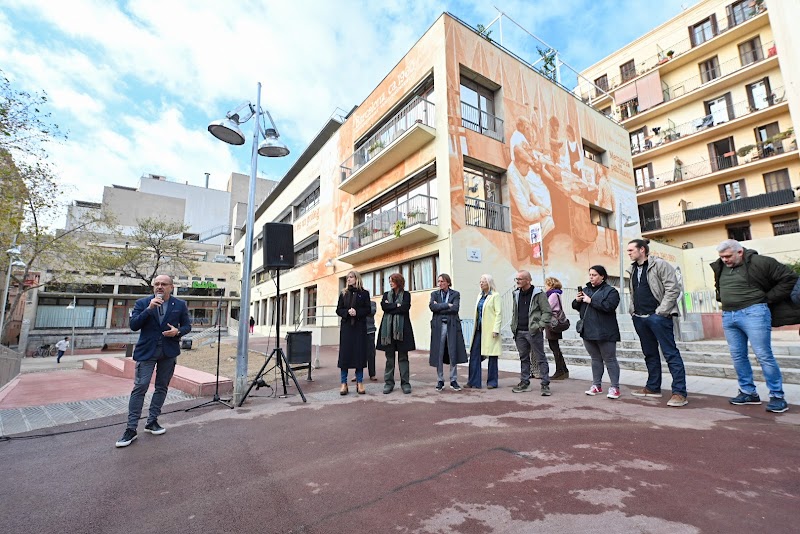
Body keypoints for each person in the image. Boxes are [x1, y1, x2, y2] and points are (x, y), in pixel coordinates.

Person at [710, 239, 800, 413]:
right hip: (729, 315)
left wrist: (767, 299)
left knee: (763, 354)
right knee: (737, 355)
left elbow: (789, 278)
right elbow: (719, 286)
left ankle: (777, 396)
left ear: (740, 252)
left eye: (728, 256)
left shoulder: (760, 262)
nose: (725, 260)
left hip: (754, 312)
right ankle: (748, 392)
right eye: (722, 257)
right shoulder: (720, 266)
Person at [115, 275, 191, 448]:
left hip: (168, 351)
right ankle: (131, 429)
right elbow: (134, 325)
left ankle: (152, 421)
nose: (159, 287)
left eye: (164, 284)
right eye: (156, 284)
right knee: (140, 387)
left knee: (162, 387)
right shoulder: (143, 303)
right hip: (146, 352)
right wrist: (149, 309)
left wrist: (178, 332)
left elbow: (187, 326)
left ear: (171, 287)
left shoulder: (179, 304)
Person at [626, 239, 688, 407]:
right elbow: (633, 292)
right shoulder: (632, 269)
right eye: (628, 250)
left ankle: (679, 392)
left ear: (642, 250)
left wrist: (661, 312)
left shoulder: (660, 265)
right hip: (640, 317)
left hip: (658, 317)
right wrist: (633, 311)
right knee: (650, 354)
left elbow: (673, 288)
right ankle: (653, 387)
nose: (629, 253)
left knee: (670, 354)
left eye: (631, 250)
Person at [572, 265, 622, 399]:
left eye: (594, 275)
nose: (591, 277)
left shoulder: (611, 291)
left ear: (602, 276)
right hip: (588, 330)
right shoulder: (586, 289)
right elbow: (576, 307)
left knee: (610, 359)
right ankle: (596, 385)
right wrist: (577, 301)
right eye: (590, 275)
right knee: (595, 359)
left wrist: (591, 300)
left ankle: (615, 387)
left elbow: (609, 307)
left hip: (605, 331)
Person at [510, 270, 552, 395]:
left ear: (528, 280)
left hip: (533, 331)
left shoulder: (539, 294)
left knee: (540, 358)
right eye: (516, 279)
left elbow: (547, 311)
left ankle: (545, 384)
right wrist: (514, 327)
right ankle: (525, 383)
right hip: (519, 331)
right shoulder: (516, 294)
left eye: (520, 279)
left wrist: (540, 326)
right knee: (523, 358)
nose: (517, 281)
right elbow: (514, 312)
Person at [377, 272, 416, 394]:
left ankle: (405, 383)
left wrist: (391, 306)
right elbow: (384, 307)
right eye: (389, 281)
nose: (390, 283)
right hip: (387, 332)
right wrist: (396, 306)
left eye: (392, 280)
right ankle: (389, 383)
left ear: (398, 282)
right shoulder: (386, 295)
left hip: (402, 330)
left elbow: (405, 308)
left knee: (403, 357)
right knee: (389, 358)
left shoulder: (406, 295)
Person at [429, 273, 468, 391]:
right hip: (439, 326)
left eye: (442, 281)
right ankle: (440, 380)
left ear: (448, 282)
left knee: (453, 352)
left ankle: (453, 380)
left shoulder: (455, 294)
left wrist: (439, 306)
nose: (439, 283)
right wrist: (447, 305)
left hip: (451, 326)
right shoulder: (434, 294)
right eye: (438, 281)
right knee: (439, 353)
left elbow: (455, 308)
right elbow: (432, 307)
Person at [336, 271, 371, 395]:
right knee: (345, 355)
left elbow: (368, 309)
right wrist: (347, 312)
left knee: (359, 355)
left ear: (357, 278)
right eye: (347, 278)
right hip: (346, 328)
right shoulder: (343, 293)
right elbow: (338, 310)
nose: (348, 279)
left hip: (359, 328)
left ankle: (360, 382)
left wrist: (357, 312)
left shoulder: (364, 293)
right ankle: (343, 383)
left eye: (351, 277)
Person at [466, 274, 502, 389]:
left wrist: (496, 329)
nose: (481, 283)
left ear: (489, 283)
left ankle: (492, 382)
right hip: (478, 329)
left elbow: (498, 313)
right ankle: (473, 381)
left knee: (492, 356)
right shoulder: (480, 296)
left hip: (490, 330)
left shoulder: (495, 296)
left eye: (483, 282)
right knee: (474, 354)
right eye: (480, 281)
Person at [544, 277, 569, 380]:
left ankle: (560, 371)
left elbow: (547, 308)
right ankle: (564, 370)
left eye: (546, 284)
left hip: (552, 323)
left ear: (550, 285)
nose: (545, 287)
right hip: (554, 323)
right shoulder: (556, 294)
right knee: (555, 346)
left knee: (554, 347)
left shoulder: (553, 295)